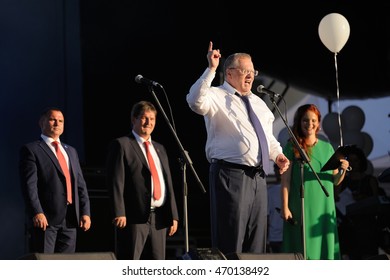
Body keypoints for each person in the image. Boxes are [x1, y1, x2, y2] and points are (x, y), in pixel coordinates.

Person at [186, 41, 290, 255]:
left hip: (259, 179)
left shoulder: (259, 103)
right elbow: (194, 101)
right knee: (230, 241)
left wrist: (278, 155)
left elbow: (268, 137)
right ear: (230, 73)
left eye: (253, 71)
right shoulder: (215, 95)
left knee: (257, 243)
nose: (251, 75)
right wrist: (211, 69)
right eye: (245, 71)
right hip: (230, 175)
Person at [106, 100, 179, 260]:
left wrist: (173, 215)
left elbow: (168, 183)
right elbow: (116, 182)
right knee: (130, 262)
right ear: (134, 119)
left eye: (152, 119)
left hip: (159, 217)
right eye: (144, 118)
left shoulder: (159, 148)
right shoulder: (122, 145)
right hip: (134, 216)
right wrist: (119, 212)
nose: (149, 122)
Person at [280, 104, 349, 260]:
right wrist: (285, 207)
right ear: (299, 122)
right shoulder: (292, 146)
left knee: (323, 248)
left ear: (318, 123)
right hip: (300, 206)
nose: (309, 124)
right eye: (305, 120)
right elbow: (285, 181)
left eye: (313, 120)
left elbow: (335, 180)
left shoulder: (328, 148)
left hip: (324, 207)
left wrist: (343, 169)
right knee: (302, 248)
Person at [19, 107, 91, 253]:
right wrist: (37, 212)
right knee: (45, 268)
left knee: (65, 268)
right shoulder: (32, 149)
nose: (57, 123)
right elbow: (29, 186)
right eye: (52, 120)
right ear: (42, 122)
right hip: (46, 218)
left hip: (71, 218)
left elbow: (80, 185)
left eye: (61, 121)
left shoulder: (71, 151)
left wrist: (85, 212)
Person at [335, 145, 385, 259]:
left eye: (355, 160)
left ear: (361, 161)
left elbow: (377, 201)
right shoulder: (344, 180)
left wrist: (363, 199)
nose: (353, 163)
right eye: (350, 161)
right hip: (348, 226)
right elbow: (336, 196)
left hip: (366, 226)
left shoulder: (370, 180)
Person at [267, 164, 283, 253]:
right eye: (276, 169)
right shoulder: (269, 191)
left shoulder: (294, 189)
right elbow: (266, 217)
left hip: (287, 236)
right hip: (275, 238)